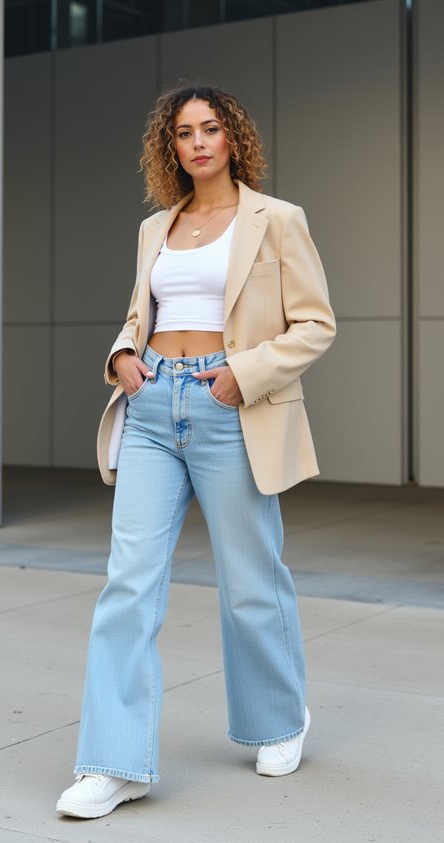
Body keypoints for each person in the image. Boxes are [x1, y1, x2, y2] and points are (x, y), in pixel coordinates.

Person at [56, 84, 336, 820]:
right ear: (170, 148)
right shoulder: (157, 228)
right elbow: (138, 315)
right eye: (184, 132)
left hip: (228, 406)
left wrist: (240, 377)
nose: (198, 142)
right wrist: (121, 354)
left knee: (249, 580)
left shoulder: (277, 220)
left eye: (211, 128)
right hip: (150, 408)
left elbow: (314, 324)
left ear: (233, 138)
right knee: (128, 582)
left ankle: (279, 719)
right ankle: (113, 763)